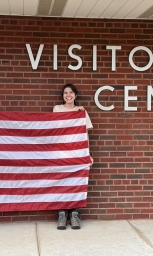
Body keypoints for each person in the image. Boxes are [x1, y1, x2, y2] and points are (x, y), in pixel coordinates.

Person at [53, 83, 93, 230]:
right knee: (62, 182)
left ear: (76, 95)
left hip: (77, 152)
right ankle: (62, 214)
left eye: (71, 92)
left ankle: (75, 214)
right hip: (60, 152)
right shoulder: (57, 109)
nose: (68, 95)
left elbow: (85, 134)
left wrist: (88, 154)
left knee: (76, 181)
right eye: (65, 93)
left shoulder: (82, 111)